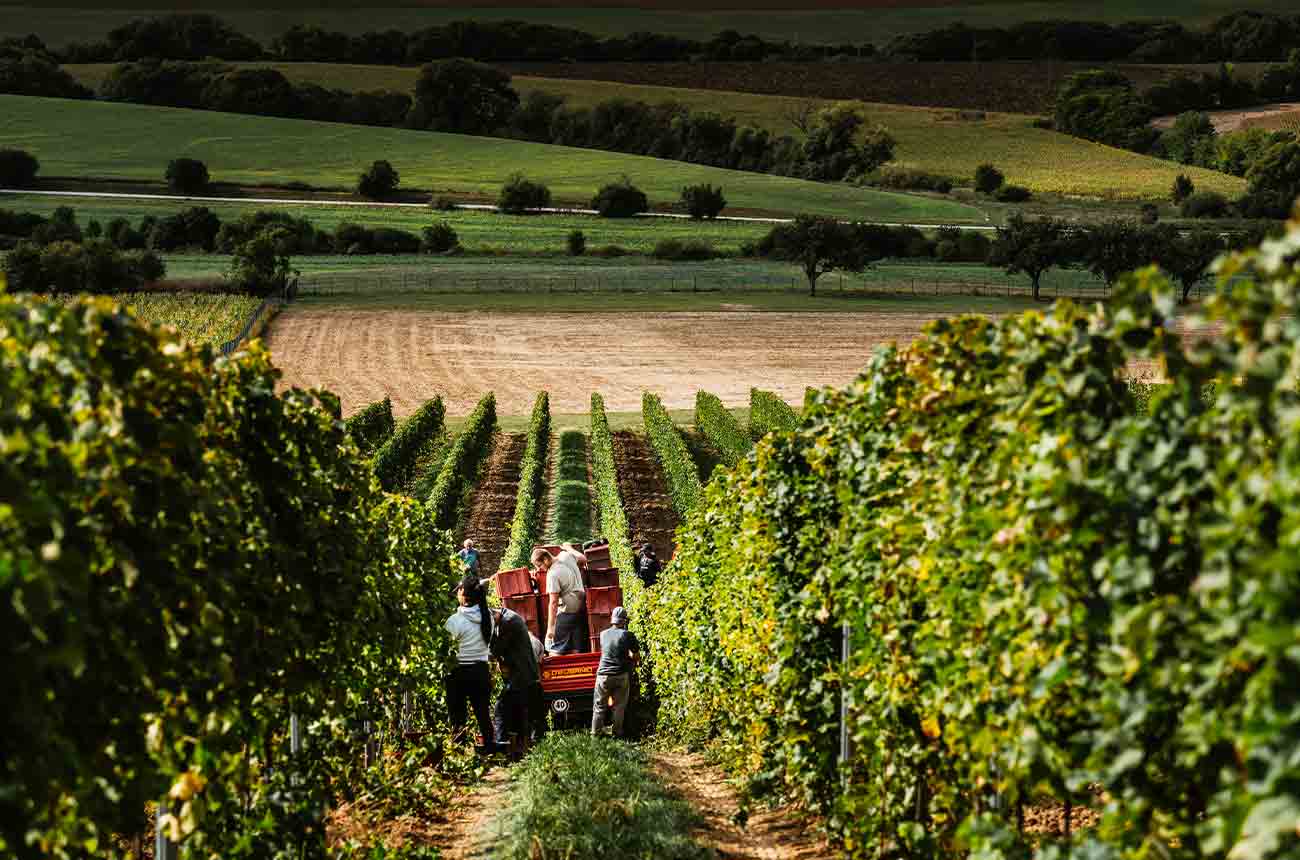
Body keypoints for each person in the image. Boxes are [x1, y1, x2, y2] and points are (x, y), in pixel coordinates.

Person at [444, 574, 495, 752]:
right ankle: (489, 748)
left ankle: (459, 753)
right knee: (482, 714)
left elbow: (445, 649)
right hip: (481, 670)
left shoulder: (455, 621)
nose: (457, 593)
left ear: (463, 594)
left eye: (458, 590)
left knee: (458, 717)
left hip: (458, 672)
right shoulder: (488, 617)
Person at [490, 604, 544, 758]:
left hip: (522, 675)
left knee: (500, 707)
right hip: (525, 676)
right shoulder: (506, 618)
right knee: (520, 714)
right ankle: (519, 750)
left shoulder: (509, 621)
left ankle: (501, 748)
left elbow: (497, 649)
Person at [591, 606, 640, 737]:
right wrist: (630, 657)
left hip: (603, 675)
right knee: (619, 707)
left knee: (599, 707)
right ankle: (617, 734)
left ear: (612, 620)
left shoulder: (603, 634)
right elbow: (636, 656)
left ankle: (595, 735)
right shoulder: (628, 635)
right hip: (620, 675)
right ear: (624, 621)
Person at [532, 546, 587, 655]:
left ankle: (557, 664)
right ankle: (576, 661)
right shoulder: (565, 555)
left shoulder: (552, 574)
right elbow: (583, 560)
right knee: (575, 644)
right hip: (580, 607)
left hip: (568, 610)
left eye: (539, 565)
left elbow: (553, 603)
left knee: (551, 645)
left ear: (546, 559)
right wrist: (569, 548)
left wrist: (550, 629)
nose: (539, 569)